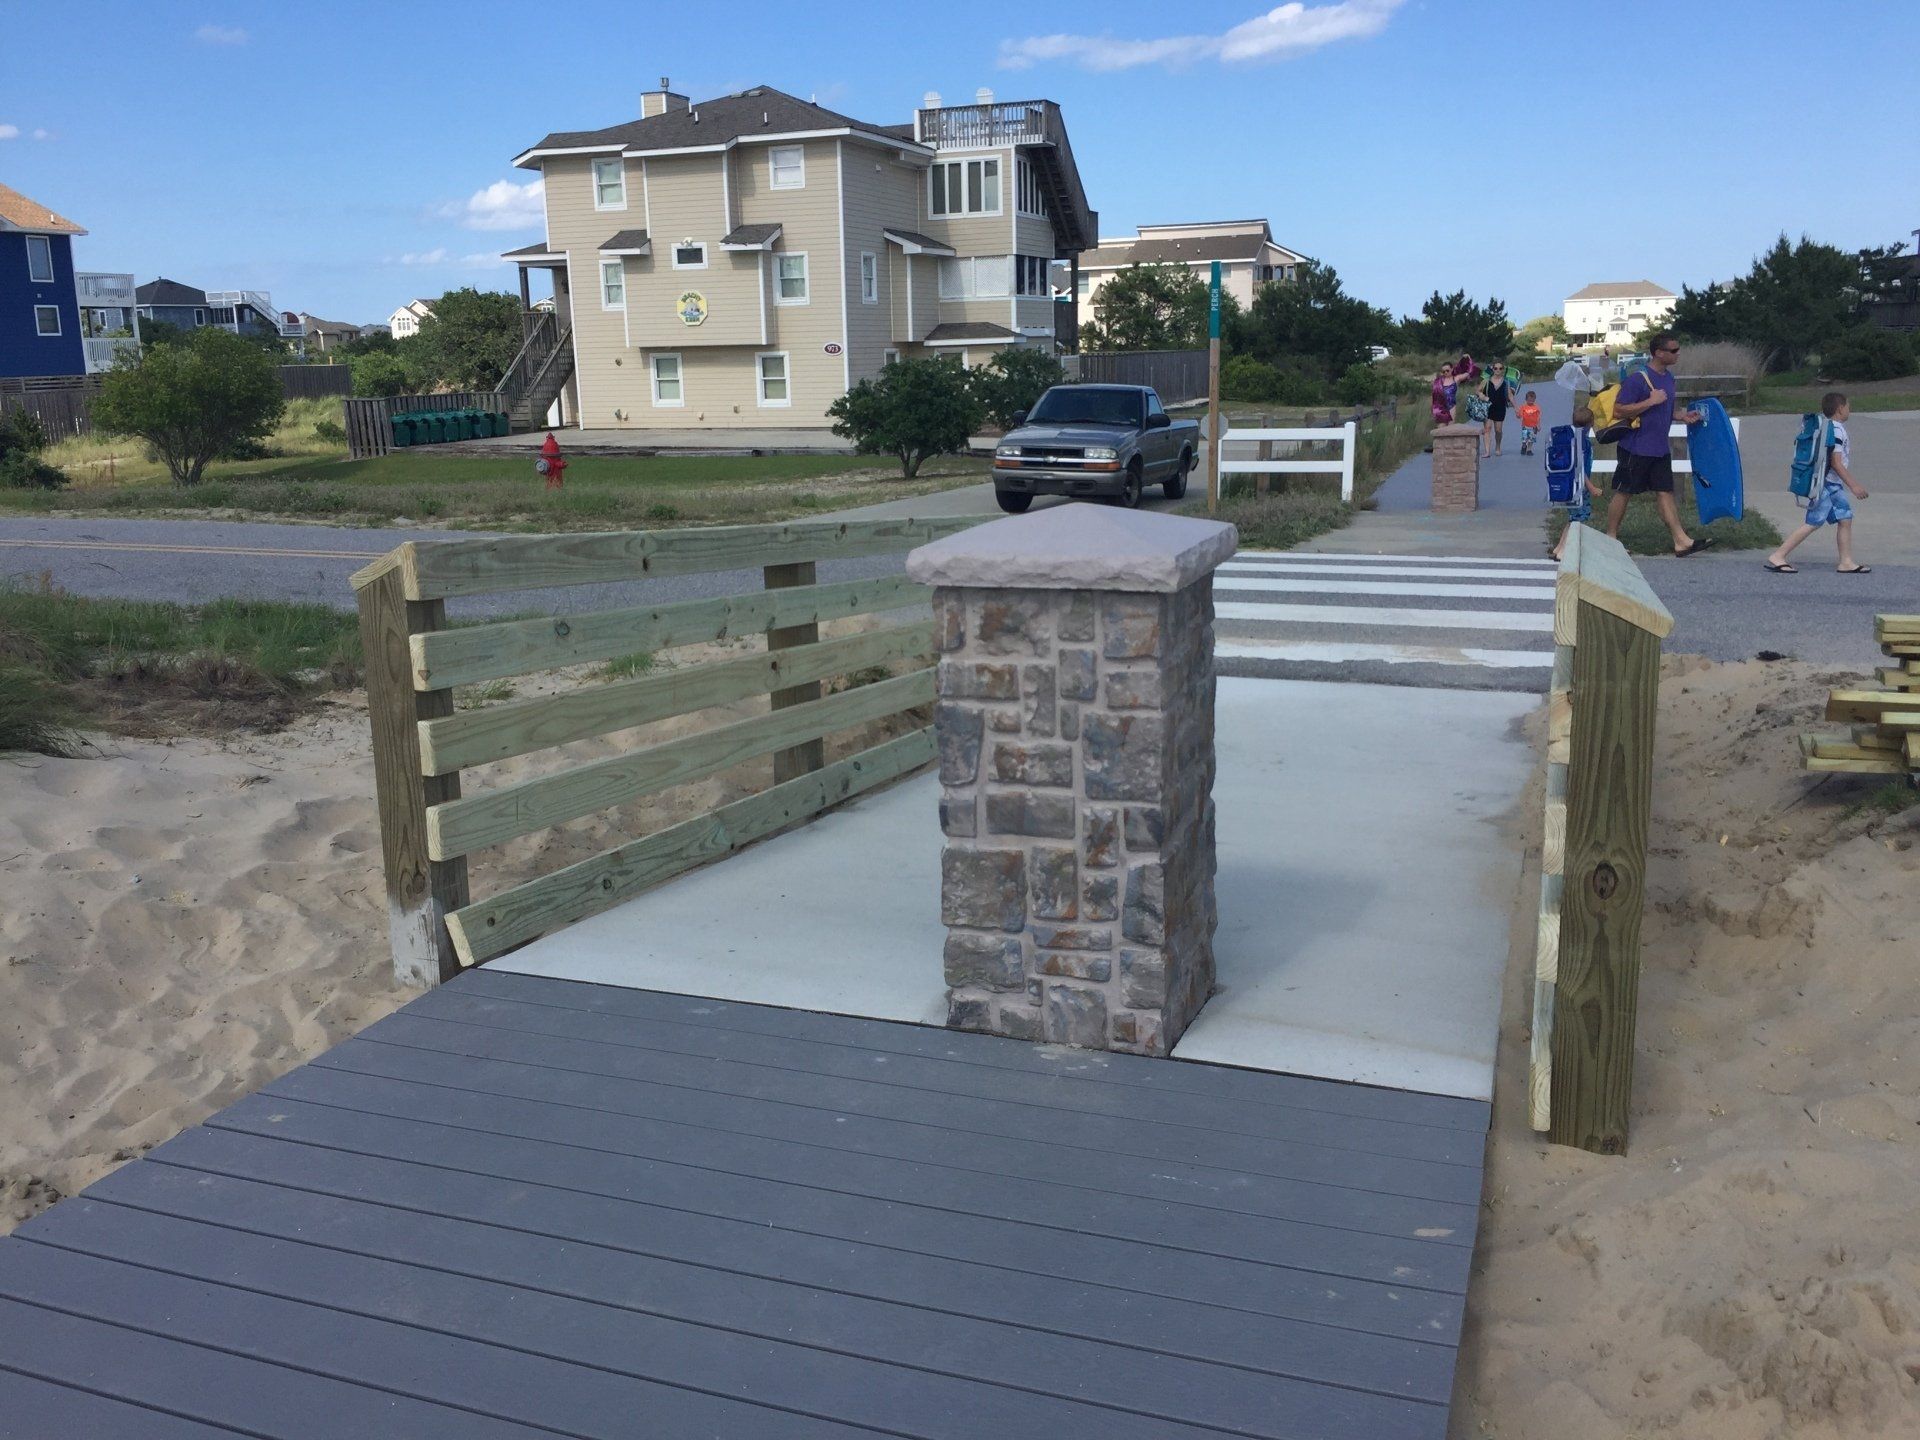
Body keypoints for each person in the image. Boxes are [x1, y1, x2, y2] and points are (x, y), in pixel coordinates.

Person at [1604, 331, 1713, 557]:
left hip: (1659, 448)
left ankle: (1681, 541)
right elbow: (1619, 409)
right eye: (1673, 350)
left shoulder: (1669, 378)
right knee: (1624, 491)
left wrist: (1680, 415)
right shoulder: (1638, 379)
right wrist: (1649, 401)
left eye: (1678, 349)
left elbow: (1665, 408)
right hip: (1635, 447)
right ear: (1658, 353)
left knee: (1665, 492)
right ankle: (1610, 538)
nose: (1678, 354)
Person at [1764, 392, 1871, 573]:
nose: (1849, 410)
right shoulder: (1836, 430)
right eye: (1848, 407)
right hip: (1828, 484)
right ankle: (1778, 555)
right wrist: (1854, 485)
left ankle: (1846, 561)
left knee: (1845, 518)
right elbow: (1836, 463)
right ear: (1840, 409)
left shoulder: (1829, 427)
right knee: (1813, 522)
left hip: (1831, 484)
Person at [1550, 404, 1602, 561]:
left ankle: (1559, 547)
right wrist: (1591, 487)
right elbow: (1579, 468)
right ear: (1590, 423)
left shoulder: (1570, 438)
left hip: (1566, 484)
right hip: (1578, 486)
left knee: (1573, 517)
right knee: (1578, 519)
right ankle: (1563, 552)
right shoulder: (1583, 442)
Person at [1477, 362, 1519, 457]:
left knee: (1498, 430)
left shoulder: (1506, 382)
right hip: (1487, 407)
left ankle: (1498, 447)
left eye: (1500, 368)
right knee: (1487, 429)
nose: (1498, 370)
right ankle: (1487, 451)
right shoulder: (1486, 381)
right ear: (1492, 369)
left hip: (1500, 407)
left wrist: (1516, 408)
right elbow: (1478, 390)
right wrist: (1482, 396)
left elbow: (1510, 395)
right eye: (1495, 368)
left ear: (1503, 370)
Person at [1518, 390, 1542, 456]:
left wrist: (1538, 425)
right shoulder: (1523, 407)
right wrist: (1519, 416)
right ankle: (1523, 446)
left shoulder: (1537, 408)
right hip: (1525, 425)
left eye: (1532, 400)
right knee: (1525, 439)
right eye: (1529, 400)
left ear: (1535, 399)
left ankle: (1529, 450)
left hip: (1534, 426)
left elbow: (1538, 417)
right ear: (1526, 399)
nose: (1531, 402)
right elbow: (1520, 415)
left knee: (1531, 439)